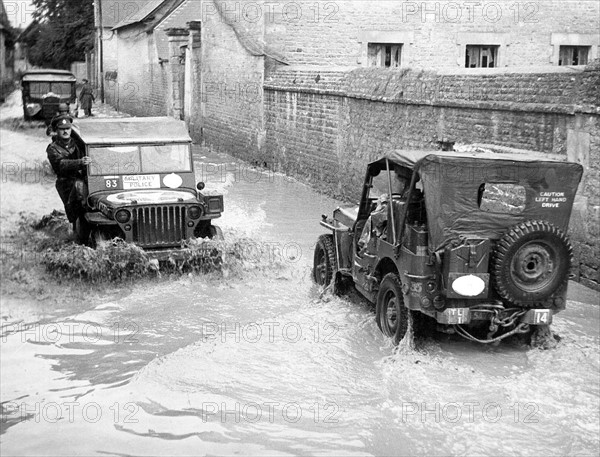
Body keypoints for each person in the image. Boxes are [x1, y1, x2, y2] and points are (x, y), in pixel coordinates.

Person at [46, 116, 91, 227]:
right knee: (75, 210)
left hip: (82, 178)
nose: (65, 131)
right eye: (62, 129)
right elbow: (60, 165)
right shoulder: (53, 148)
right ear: (56, 131)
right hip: (66, 182)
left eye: (68, 128)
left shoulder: (78, 143)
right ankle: (77, 234)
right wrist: (80, 162)